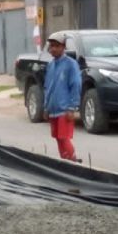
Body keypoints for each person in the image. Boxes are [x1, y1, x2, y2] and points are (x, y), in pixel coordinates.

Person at [43, 34, 81, 162]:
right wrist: (46, 107)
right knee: (58, 138)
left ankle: (72, 160)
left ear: (63, 47)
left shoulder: (71, 64)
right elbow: (48, 87)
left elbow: (75, 85)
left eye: (56, 46)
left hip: (64, 109)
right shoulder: (51, 65)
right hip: (53, 109)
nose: (53, 49)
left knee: (64, 137)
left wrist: (72, 108)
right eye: (51, 46)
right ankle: (64, 161)